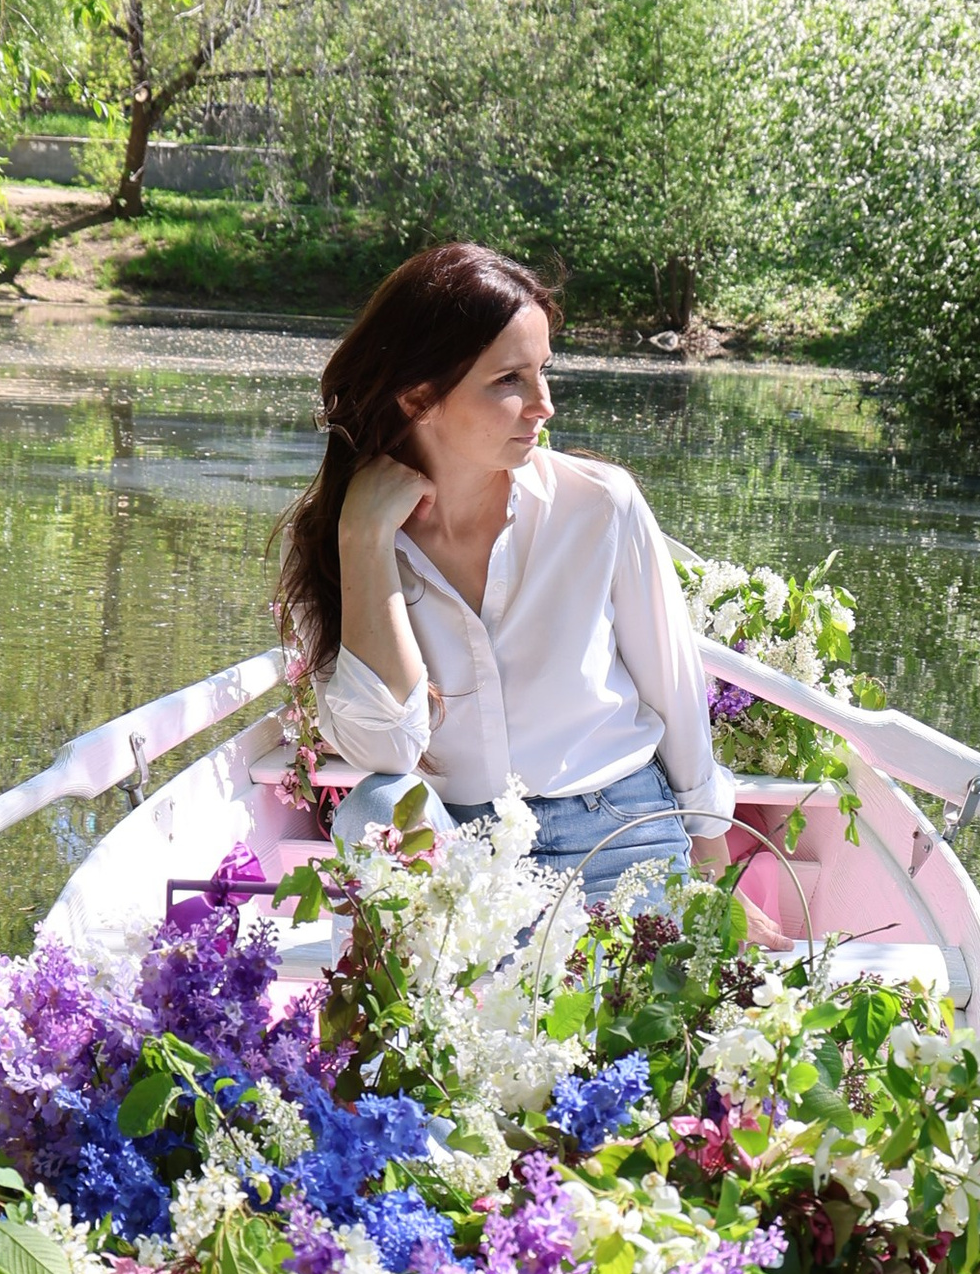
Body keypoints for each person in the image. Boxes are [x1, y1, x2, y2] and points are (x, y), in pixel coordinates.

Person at [276, 242, 734, 904]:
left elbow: (676, 694)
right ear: (417, 396)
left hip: (618, 835)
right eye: (509, 381)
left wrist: (714, 875)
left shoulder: (599, 505)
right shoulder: (338, 537)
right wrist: (366, 538)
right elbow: (388, 749)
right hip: (455, 857)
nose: (544, 404)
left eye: (544, 371)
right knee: (375, 807)